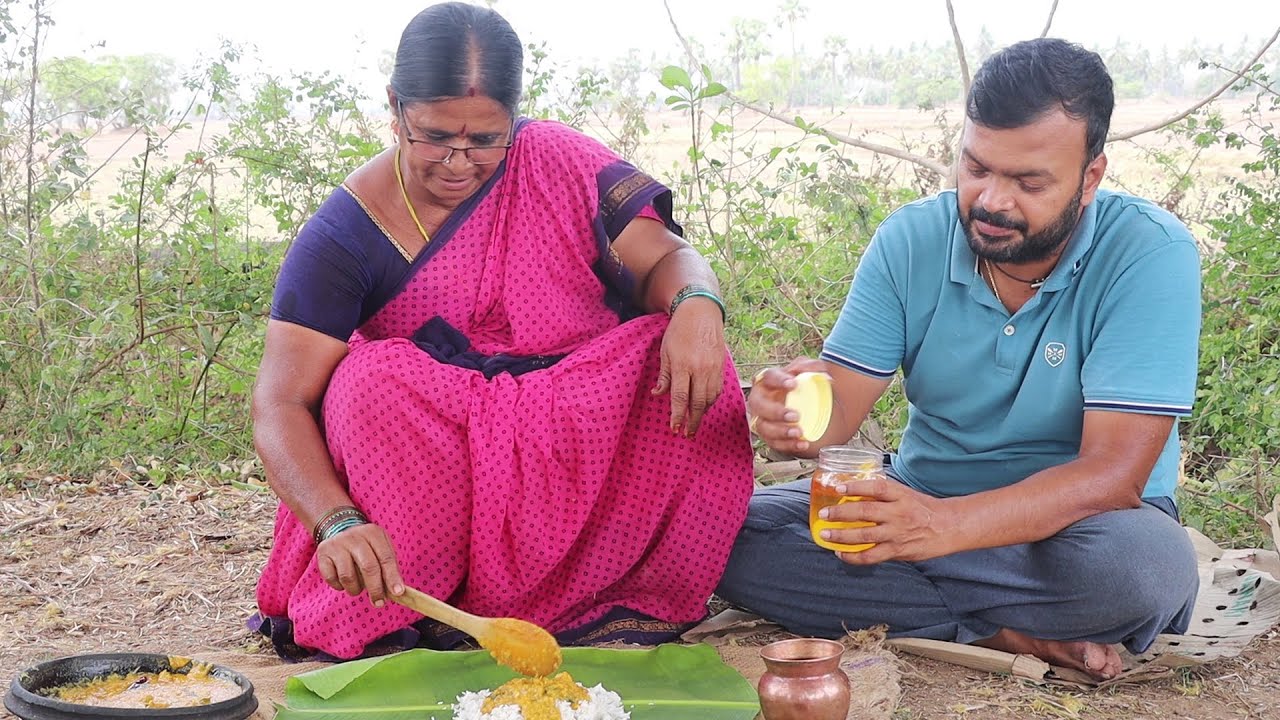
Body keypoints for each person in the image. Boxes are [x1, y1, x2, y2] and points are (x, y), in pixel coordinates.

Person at [250, 2, 754, 661]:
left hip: (575, 421)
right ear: (395, 108)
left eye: (486, 140)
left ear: (514, 121)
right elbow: (279, 404)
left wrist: (696, 304)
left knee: (676, 359)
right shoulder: (346, 233)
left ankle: (610, 592)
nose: (459, 161)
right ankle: (429, 608)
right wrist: (334, 522)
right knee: (366, 382)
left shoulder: (554, 159)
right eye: (434, 136)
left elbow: (665, 259)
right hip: (436, 447)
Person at [717, 37, 1201, 681]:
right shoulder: (911, 238)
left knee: (1142, 571)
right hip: (923, 495)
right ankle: (1006, 631)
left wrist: (938, 532)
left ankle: (934, 608)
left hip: (1082, 529)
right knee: (721, 533)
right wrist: (792, 413)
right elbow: (832, 419)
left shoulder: (1148, 253)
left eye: (1028, 182)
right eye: (976, 168)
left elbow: (1112, 477)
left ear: (1090, 178)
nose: (992, 200)